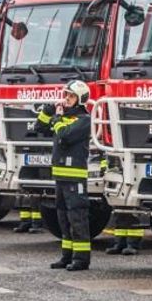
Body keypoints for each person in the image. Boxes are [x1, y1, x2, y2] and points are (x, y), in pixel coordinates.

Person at [36, 80, 93, 271]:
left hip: (74, 177)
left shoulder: (83, 120)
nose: (66, 99)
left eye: (70, 96)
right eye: (65, 95)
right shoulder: (62, 118)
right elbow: (39, 129)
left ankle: (81, 259)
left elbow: (65, 136)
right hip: (60, 176)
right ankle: (66, 256)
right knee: (62, 217)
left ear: (80, 99)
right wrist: (46, 112)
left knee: (77, 217)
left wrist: (57, 119)